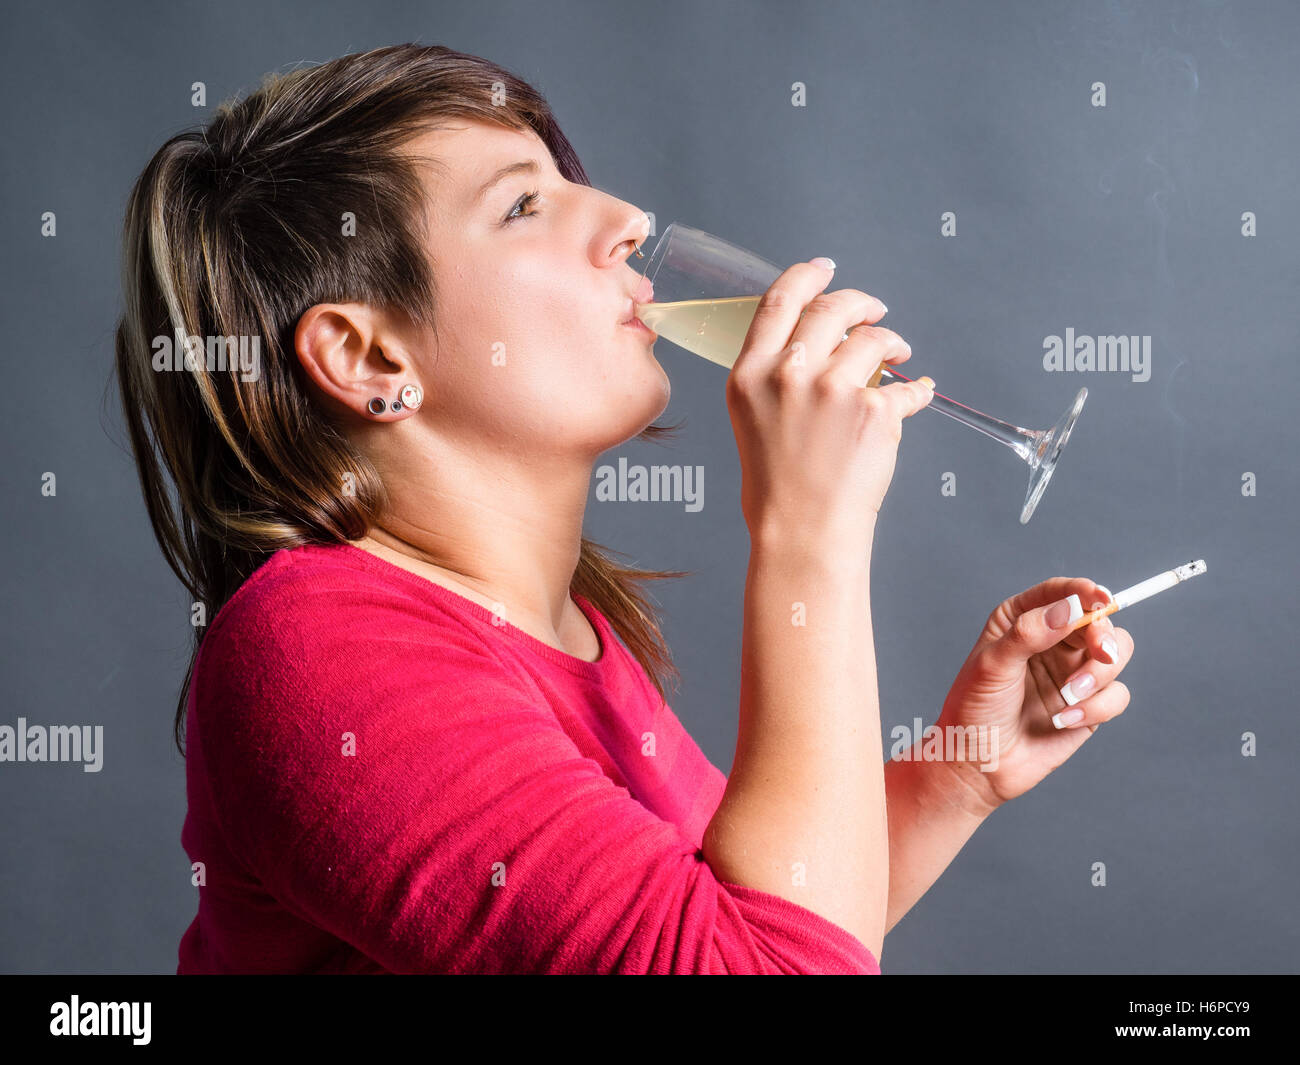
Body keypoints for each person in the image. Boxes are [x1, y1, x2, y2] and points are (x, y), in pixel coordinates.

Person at [114, 42, 1133, 974]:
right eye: (523, 206)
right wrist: (808, 533)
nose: (628, 223)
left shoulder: (565, 634)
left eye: (571, 184)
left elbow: (749, 926)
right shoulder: (319, 652)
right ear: (370, 359)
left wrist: (957, 776)